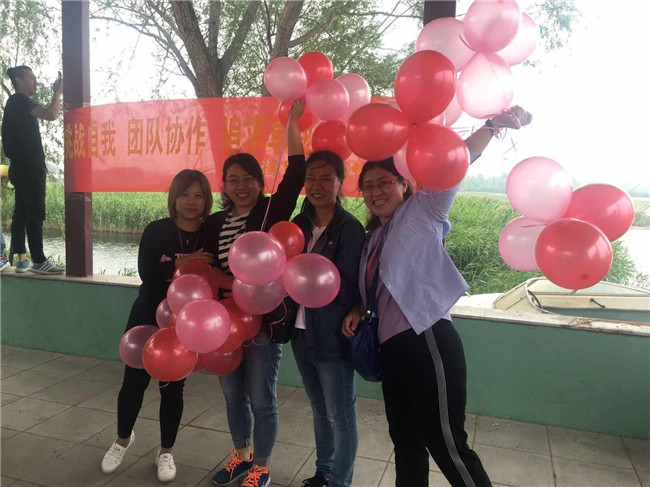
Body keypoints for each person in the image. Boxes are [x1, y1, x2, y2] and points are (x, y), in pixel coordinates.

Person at [342, 107, 532, 487]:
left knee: (446, 443)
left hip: (426, 338)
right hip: (391, 350)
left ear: (404, 183)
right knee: (406, 443)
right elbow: (380, 290)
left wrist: (492, 126)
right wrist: (359, 307)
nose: (376, 192)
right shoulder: (371, 240)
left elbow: (453, 162)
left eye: (385, 182)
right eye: (369, 186)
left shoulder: (423, 210)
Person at [209, 100, 307, 487]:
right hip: (223, 325)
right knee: (233, 395)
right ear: (224, 185)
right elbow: (207, 268)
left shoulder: (271, 212)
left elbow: (296, 172)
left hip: (263, 323)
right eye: (233, 179)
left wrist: (292, 122)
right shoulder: (215, 222)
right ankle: (241, 455)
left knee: (263, 399)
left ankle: (261, 466)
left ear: (259, 182)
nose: (241, 186)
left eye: (248, 178)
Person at [101, 169, 216, 483]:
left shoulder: (211, 233)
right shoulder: (156, 230)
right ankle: (122, 439)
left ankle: (166, 452)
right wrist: (182, 262)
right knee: (133, 383)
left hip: (183, 325)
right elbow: (146, 273)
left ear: (206, 200)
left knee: (173, 388)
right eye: (185, 194)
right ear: (174, 198)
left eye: (199, 195)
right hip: (146, 317)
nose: (191, 201)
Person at [287, 134, 365, 487]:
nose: (316, 186)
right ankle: (324, 472)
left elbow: (351, 286)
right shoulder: (298, 224)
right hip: (300, 331)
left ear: (339, 182)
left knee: (340, 414)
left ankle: (340, 481)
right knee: (319, 409)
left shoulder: (350, 229)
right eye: (310, 178)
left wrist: (312, 276)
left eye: (325, 178)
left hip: (333, 332)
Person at [1, 66, 63, 274]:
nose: (35, 82)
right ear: (19, 81)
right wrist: (57, 92)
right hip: (29, 167)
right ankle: (39, 260)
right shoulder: (20, 100)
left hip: (19, 167)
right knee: (35, 211)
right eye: (31, 78)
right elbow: (52, 114)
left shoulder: (13, 103)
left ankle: (22, 259)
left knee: (21, 212)